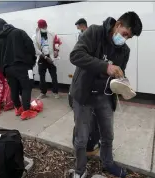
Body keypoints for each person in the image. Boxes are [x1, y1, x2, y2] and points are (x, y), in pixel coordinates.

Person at [68, 12, 143, 178]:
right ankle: (80, 170)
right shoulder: (94, 32)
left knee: (108, 134)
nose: (125, 39)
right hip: (84, 94)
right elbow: (75, 55)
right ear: (117, 24)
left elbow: (117, 74)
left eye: (129, 37)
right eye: (125, 34)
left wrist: (122, 83)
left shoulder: (124, 50)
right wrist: (106, 67)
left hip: (104, 96)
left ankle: (108, 162)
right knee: (81, 138)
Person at [70, 18, 101, 158]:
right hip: (82, 88)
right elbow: (76, 56)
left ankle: (88, 145)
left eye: (78, 26)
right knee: (84, 123)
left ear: (82, 25)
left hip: (89, 86)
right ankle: (83, 147)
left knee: (90, 122)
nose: (78, 28)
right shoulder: (85, 35)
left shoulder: (89, 34)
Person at [0, 23, 38, 120]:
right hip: (22, 66)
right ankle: (26, 111)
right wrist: (32, 60)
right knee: (26, 87)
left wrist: (3, 69)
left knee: (13, 89)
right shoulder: (19, 32)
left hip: (8, 69)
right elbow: (30, 46)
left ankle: (18, 109)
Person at [33, 19, 61, 99]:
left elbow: (57, 42)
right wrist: (45, 57)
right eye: (42, 27)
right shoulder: (35, 36)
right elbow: (36, 49)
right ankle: (43, 93)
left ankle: (55, 92)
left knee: (54, 76)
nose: (44, 28)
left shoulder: (52, 34)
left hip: (51, 57)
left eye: (45, 26)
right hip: (42, 57)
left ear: (46, 26)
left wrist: (56, 50)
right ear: (39, 27)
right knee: (42, 77)